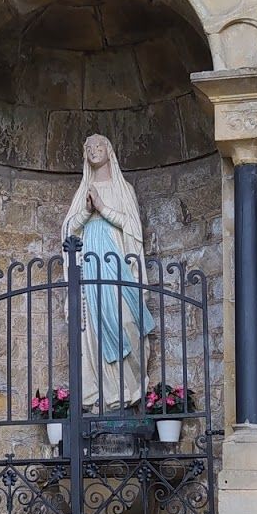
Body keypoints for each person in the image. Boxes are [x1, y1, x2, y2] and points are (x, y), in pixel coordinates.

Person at [63, 134, 155, 408]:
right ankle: (101, 396)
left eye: (98, 146)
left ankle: (129, 391)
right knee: (92, 329)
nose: (93, 151)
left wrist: (103, 209)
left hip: (118, 265)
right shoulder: (83, 191)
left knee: (126, 321)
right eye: (88, 148)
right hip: (90, 266)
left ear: (109, 151)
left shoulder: (123, 188)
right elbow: (69, 231)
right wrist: (86, 211)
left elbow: (133, 228)